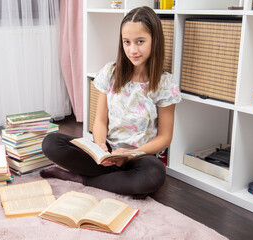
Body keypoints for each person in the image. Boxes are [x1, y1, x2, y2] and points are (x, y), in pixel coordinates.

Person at [40, 6, 181, 199]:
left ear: (154, 41)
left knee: (154, 174)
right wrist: (100, 147)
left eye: (140, 42)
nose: (133, 50)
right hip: (107, 152)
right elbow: (100, 121)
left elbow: (164, 137)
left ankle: (82, 179)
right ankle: (121, 182)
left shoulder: (165, 84)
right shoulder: (110, 72)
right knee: (51, 142)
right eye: (127, 42)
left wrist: (131, 154)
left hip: (139, 157)